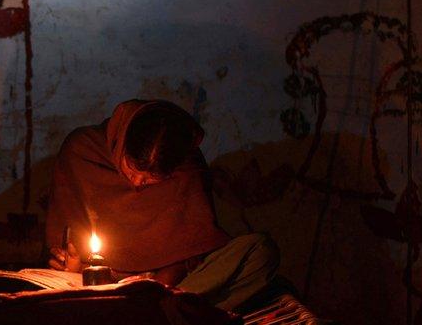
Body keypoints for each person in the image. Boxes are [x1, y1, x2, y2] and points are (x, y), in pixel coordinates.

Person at [46, 99, 280, 311]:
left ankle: (159, 311)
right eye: (132, 169)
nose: (137, 183)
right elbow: (69, 251)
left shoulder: (187, 168)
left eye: (151, 179)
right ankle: (168, 314)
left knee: (261, 251)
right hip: (98, 288)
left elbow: (194, 251)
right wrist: (74, 265)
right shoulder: (83, 151)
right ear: (122, 143)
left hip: (171, 287)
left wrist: (158, 283)